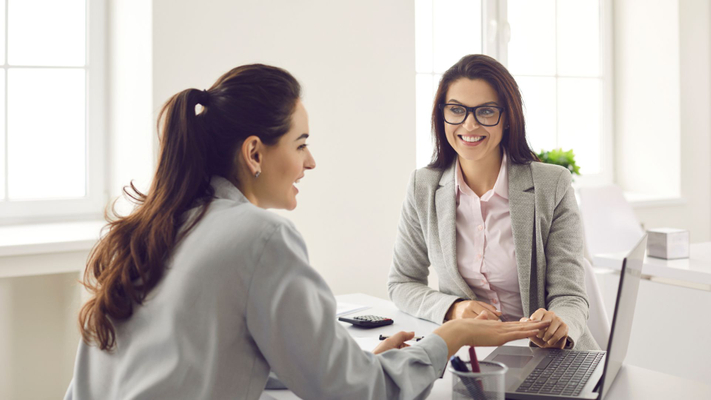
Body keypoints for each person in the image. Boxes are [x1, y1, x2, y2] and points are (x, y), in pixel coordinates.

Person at [64, 64, 549, 400]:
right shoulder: (260, 237)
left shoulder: (148, 228)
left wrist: (352, 366)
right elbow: (358, 394)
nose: (310, 162)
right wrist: (448, 337)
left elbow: (209, 367)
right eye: (300, 144)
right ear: (254, 153)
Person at [388, 54, 598, 351]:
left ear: (508, 118)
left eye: (485, 111)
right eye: (457, 110)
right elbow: (402, 283)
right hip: (470, 357)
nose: (469, 124)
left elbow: (570, 296)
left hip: (546, 356)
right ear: (442, 115)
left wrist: (558, 323)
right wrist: (454, 309)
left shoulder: (552, 185)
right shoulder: (423, 186)